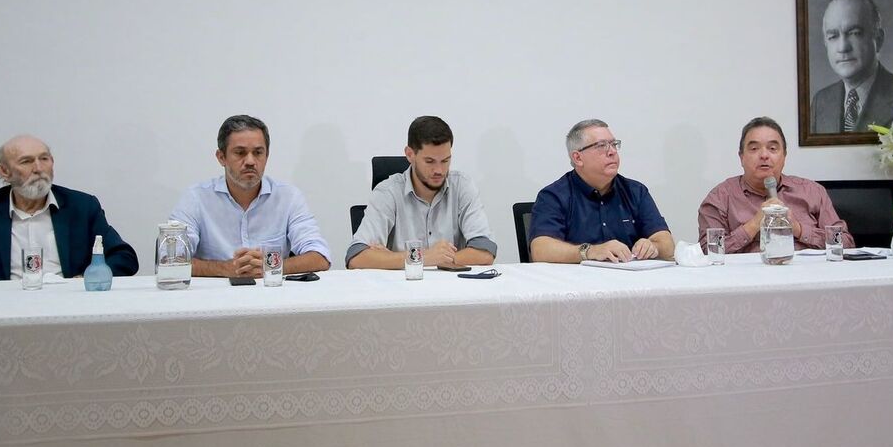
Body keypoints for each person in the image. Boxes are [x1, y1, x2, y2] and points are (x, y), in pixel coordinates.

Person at [0, 135, 138, 295]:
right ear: (4, 171)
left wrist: (85, 279)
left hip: (71, 303)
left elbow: (124, 257)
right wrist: (8, 290)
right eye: (26, 161)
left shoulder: (81, 206)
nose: (38, 168)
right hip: (5, 306)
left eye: (44, 159)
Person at [170, 115, 330, 277]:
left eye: (258, 152)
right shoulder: (196, 198)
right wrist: (224, 269)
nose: (250, 161)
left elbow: (320, 257)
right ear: (221, 157)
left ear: (266, 156)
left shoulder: (288, 197)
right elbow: (170, 260)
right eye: (240, 153)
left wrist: (269, 266)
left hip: (273, 296)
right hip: (215, 296)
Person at [347, 116, 497, 269]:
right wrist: (424, 256)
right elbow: (356, 258)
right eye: (430, 161)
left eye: (445, 161)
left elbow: (485, 253)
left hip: (453, 289)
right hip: (402, 289)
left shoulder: (462, 186)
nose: (439, 170)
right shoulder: (387, 193)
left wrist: (396, 258)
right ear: (410, 155)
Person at [698, 116, 854, 253]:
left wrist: (798, 229)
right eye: (754, 149)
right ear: (741, 157)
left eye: (772, 148)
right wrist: (753, 225)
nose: (764, 155)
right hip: (747, 282)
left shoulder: (812, 192)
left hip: (805, 278)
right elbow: (707, 251)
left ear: (784, 156)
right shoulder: (720, 198)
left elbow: (846, 243)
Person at [528, 119, 675, 263]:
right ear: (578, 158)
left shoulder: (636, 191)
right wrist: (590, 251)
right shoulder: (554, 196)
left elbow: (667, 244)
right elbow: (540, 250)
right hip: (577, 283)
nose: (612, 152)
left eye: (614, 144)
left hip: (630, 282)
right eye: (601, 146)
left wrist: (653, 246)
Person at [811, 0, 893, 133]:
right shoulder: (820, 101)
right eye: (833, 36)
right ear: (825, 43)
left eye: (855, 33)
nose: (843, 47)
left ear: (878, 39)